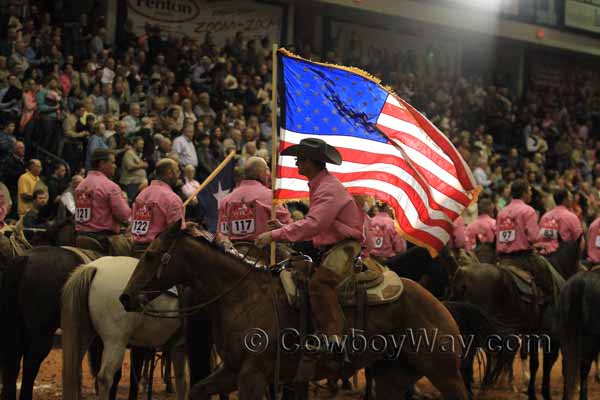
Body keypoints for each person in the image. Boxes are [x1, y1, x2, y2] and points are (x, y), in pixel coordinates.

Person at [255, 138, 365, 352]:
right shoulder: (322, 185)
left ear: (311, 162)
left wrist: (274, 235)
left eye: (299, 160)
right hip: (329, 246)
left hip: (345, 246)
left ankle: (334, 339)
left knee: (319, 284)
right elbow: (316, 223)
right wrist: (282, 227)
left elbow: (315, 224)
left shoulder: (327, 188)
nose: (296, 163)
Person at [495, 179, 555, 303]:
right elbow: (534, 237)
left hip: (503, 259)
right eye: (530, 191)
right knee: (549, 283)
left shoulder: (502, 212)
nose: (531, 194)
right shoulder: (528, 210)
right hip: (523, 258)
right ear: (524, 193)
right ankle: (547, 302)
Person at [218, 156, 290, 241]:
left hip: (232, 250)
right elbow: (287, 223)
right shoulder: (270, 196)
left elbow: (221, 232)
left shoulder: (225, 200)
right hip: (263, 250)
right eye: (267, 170)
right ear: (261, 174)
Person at [75, 148, 131, 253]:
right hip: (103, 239)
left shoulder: (80, 186)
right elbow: (124, 215)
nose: (115, 166)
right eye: (113, 162)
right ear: (102, 163)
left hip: (80, 237)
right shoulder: (110, 186)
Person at [130, 158, 184, 257]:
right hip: (156, 254)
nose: (179, 175)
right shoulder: (172, 199)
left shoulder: (141, 194)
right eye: (177, 171)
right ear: (169, 173)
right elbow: (177, 233)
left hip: (135, 249)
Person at [534, 189, 583, 256]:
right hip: (563, 257)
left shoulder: (545, 216)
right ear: (565, 200)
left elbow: (541, 239)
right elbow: (580, 241)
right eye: (570, 197)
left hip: (544, 255)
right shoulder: (571, 217)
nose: (572, 200)